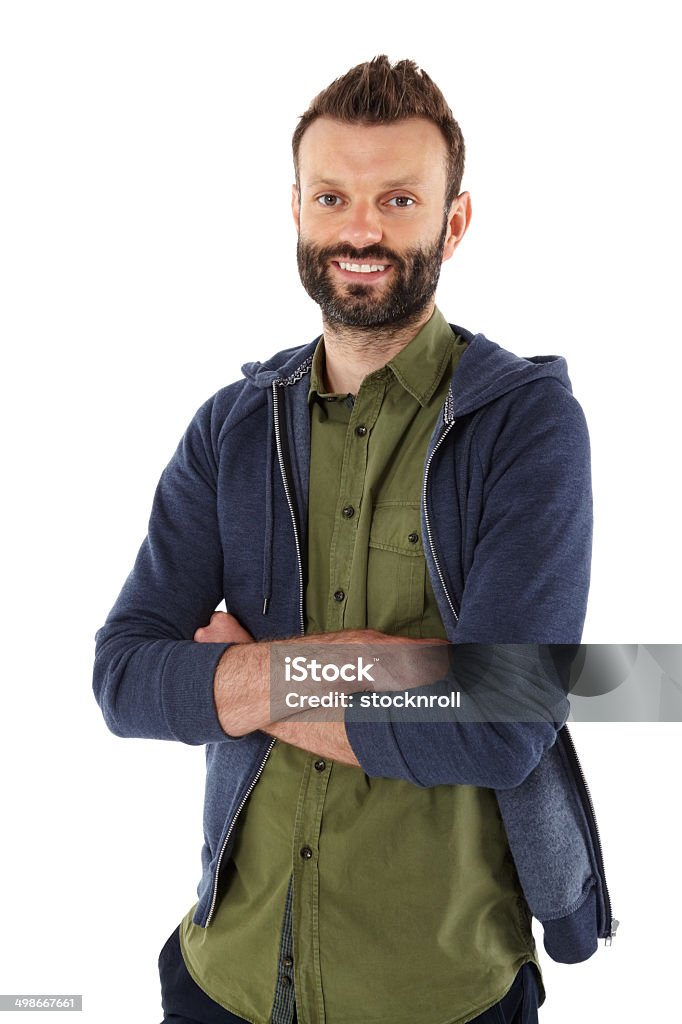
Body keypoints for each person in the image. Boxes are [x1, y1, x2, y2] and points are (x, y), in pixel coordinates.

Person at [93, 56, 616, 1024]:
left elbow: (505, 717)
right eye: (332, 196)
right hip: (225, 977)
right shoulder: (230, 427)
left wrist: (249, 676)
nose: (360, 229)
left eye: (398, 198)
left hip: (440, 989)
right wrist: (369, 667)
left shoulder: (527, 423)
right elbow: (124, 678)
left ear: (452, 222)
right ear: (296, 209)